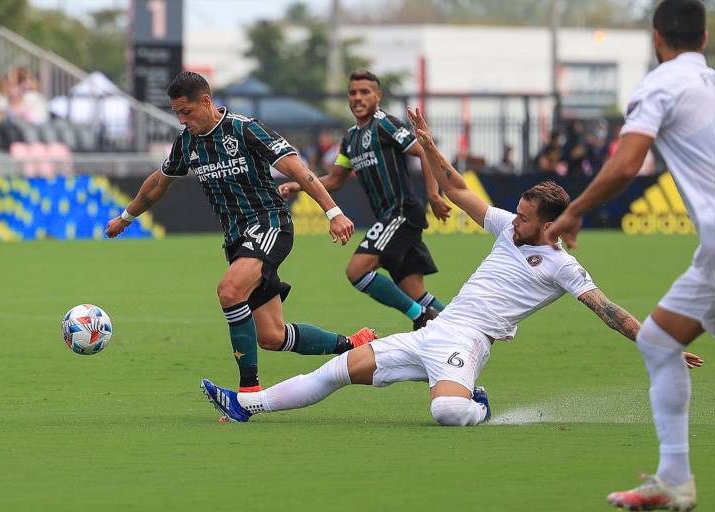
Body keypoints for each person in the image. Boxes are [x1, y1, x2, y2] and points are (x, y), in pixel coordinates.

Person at [200, 106, 703, 430]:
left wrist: (659, 346)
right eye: (517, 213)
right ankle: (247, 404)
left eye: (525, 218)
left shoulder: (563, 267)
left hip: (469, 343)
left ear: (549, 224)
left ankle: (477, 403)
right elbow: (460, 190)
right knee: (335, 372)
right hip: (435, 331)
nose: (515, 221)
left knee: (446, 412)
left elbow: (608, 311)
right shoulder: (508, 227)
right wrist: (429, 144)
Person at [105, 71, 377, 392]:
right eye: (177, 113)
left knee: (230, 290)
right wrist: (126, 216)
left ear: (206, 101)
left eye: (186, 112)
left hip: (270, 224)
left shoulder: (245, 129)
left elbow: (297, 169)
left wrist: (334, 212)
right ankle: (354, 344)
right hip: (237, 240)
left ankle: (248, 392)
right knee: (272, 336)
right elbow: (157, 184)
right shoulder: (187, 142)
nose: (182, 120)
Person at [546, 2, 713, 510]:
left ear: (657, 37)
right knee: (660, 341)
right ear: (704, 37)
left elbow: (624, 165)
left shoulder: (660, 85)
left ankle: (674, 479)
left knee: (660, 343)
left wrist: (574, 211)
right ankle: (673, 479)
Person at [279, 70, 452, 330]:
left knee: (357, 271)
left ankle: (420, 316)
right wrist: (299, 184)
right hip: (390, 217)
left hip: (401, 213)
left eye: (364, 92)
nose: (357, 97)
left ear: (377, 96)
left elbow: (425, 152)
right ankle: (463, 328)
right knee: (416, 292)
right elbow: (335, 179)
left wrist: (434, 195)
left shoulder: (385, 124)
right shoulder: (350, 139)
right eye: (352, 92)